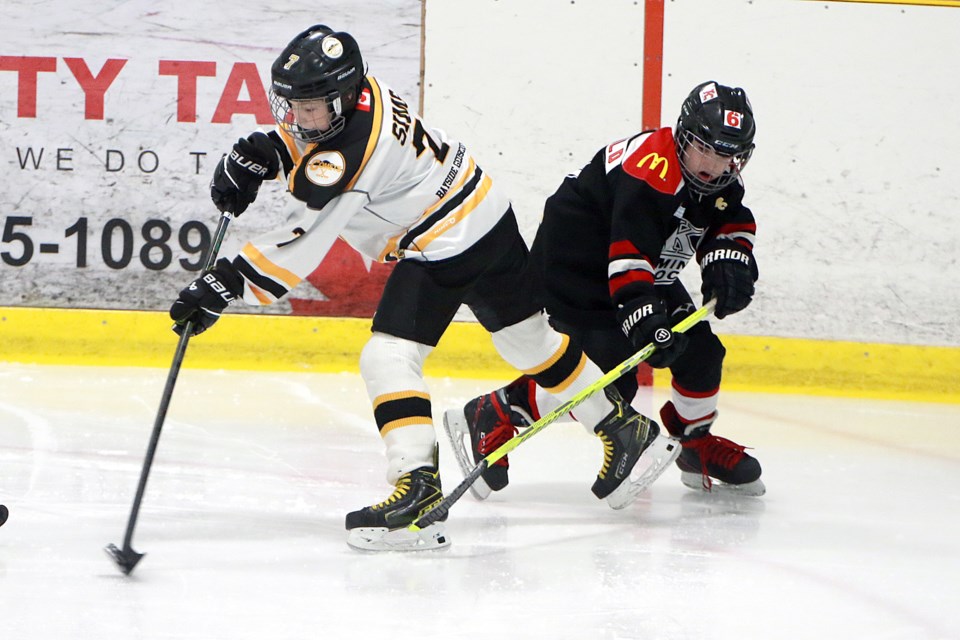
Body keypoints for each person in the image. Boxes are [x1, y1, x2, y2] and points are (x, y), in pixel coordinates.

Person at [168, 25, 680, 552]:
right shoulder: (359, 96)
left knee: (387, 357)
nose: (299, 117)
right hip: (486, 209)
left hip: (446, 237)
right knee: (529, 341)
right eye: (293, 105)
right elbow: (314, 143)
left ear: (342, 97)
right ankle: (623, 429)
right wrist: (263, 155)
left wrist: (222, 285)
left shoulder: (349, 153)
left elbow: (304, 240)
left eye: (310, 107)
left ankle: (417, 488)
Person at [445, 80, 766, 500]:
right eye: (705, 148)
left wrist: (730, 260)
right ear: (684, 136)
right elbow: (628, 253)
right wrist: (645, 317)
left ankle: (695, 443)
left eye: (727, 155)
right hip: (575, 266)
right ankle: (499, 408)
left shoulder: (720, 179)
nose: (714, 165)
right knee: (612, 381)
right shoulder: (650, 170)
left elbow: (729, 221)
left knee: (701, 353)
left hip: (639, 267)